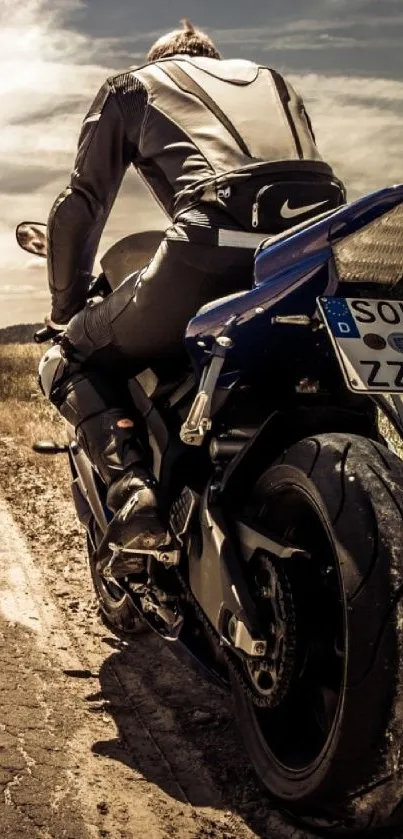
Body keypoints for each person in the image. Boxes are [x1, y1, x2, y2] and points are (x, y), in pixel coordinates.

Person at [39, 19, 346, 570]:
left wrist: (65, 310)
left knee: (69, 357)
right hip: (314, 258)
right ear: (215, 58)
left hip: (210, 247)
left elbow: (81, 204)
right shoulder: (273, 82)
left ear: (162, 58)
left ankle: (135, 492)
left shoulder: (137, 84)